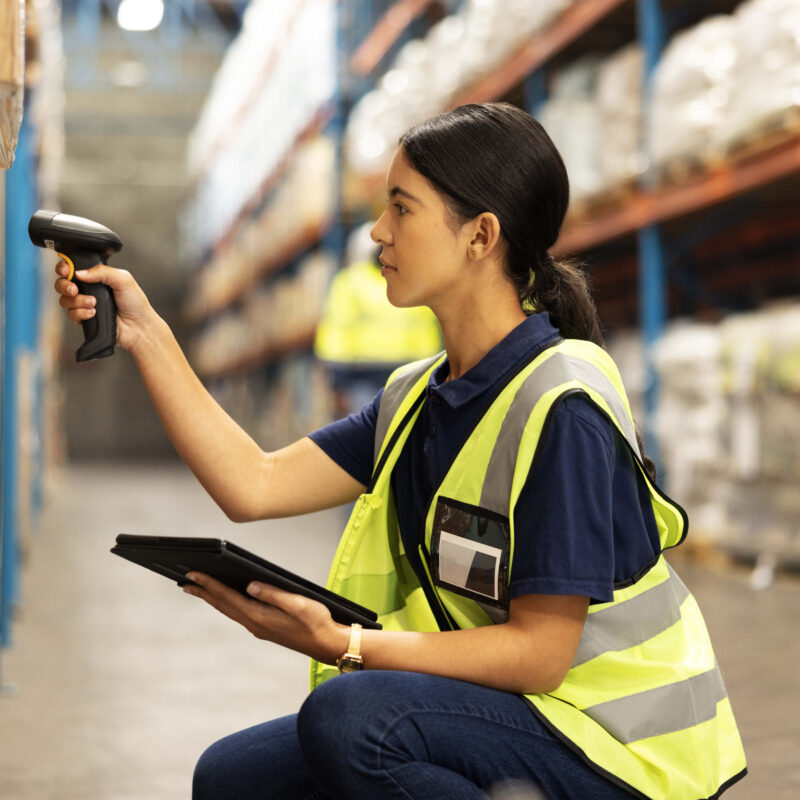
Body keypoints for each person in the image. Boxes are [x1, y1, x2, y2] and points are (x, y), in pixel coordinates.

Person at [54, 102, 747, 800]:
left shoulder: (561, 405)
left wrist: (344, 645)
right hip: (517, 712)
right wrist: (146, 334)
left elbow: (540, 654)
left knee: (357, 721)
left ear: (481, 236)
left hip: (619, 750)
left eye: (401, 208)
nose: (379, 232)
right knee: (233, 779)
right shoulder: (417, 397)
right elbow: (253, 484)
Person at [313, 221, 442, 418]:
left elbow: (336, 332)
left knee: (371, 436)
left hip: (385, 374)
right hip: (387, 374)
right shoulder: (411, 280)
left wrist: (337, 378)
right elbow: (337, 332)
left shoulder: (350, 282)